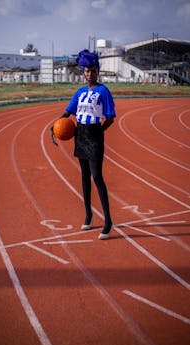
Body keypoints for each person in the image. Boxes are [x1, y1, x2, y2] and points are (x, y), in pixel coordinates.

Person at [51, 49, 116, 240]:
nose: (90, 73)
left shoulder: (103, 91)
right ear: (83, 72)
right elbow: (68, 112)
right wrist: (55, 127)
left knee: (97, 177)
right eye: (87, 70)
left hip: (94, 135)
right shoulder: (79, 92)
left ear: (98, 71)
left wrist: (99, 131)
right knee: (84, 178)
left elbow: (111, 117)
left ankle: (108, 221)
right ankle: (88, 215)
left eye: (93, 70)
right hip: (80, 135)